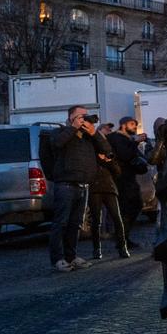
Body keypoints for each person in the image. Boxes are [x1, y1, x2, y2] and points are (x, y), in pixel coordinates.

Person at [48, 105, 112, 272]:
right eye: (81, 116)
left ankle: (71, 256)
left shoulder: (89, 137)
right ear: (71, 118)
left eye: (86, 115)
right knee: (61, 223)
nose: (85, 118)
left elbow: (107, 150)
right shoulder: (59, 132)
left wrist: (94, 133)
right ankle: (58, 259)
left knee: (75, 224)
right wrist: (73, 128)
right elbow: (57, 144)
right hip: (65, 185)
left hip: (84, 186)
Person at [107, 117, 147, 251]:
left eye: (135, 125)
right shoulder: (116, 138)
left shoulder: (127, 139)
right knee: (127, 209)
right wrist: (135, 142)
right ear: (123, 125)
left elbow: (137, 156)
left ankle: (123, 238)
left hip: (129, 178)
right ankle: (121, 240)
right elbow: (125, 155)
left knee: (134, 207)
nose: (135, 127)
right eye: (132, 124)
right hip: (121, 180)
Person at [88, 149, 129, 260]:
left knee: (117, 217)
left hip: (109, 189)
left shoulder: (109, 156)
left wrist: (108, 160)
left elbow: (118, 172)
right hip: (95, 189)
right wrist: (99, 159)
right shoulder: (90, 155)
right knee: (96, 220)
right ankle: (96, 249)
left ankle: (122, 247)